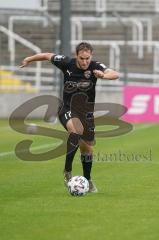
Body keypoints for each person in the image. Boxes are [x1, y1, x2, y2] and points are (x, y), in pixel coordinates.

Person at [20, 42, 119, 192]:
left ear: (91, 56)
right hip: (67, 108)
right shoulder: (66, 63)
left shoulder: (95, 66)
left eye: (87, 58)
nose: (85, 61)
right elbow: (47, 55)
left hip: (86, 114)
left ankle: (87, 179)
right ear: (76, 55)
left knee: (87, 150)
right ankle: (67, 171)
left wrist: (104, 75)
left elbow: (115, 74)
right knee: (75, 130)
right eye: (81, 58)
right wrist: (29, 58)